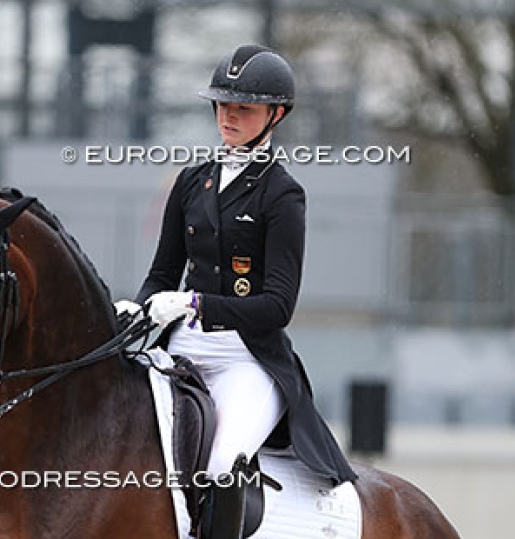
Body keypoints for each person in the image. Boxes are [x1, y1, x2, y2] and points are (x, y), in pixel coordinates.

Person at [116, 44, 357, 538]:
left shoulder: (283, 194)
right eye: (223, 104)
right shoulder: (190, 182)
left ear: (276, 114)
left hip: (246, 359)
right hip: (181, 349)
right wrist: (137, 307)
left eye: (243, 107)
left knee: (223, 463)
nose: (229, 115)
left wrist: (196, 302)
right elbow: (163, 273)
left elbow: (278, 306)